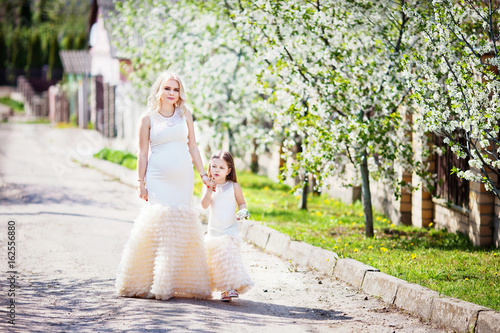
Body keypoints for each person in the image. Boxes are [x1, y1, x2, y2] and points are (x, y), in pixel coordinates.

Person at [115, 71, 212, 300]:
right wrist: (141, 183)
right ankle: (144, 282)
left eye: (175, 89)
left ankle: (176, 281)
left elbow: (194, 147)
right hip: (158, 177)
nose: (171, 93)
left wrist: (202, 174)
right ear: (159, 90)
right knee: (158, 225)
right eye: (167, 88)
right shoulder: (147, 118)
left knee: (180, 226)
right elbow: (142, 153)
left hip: (183, 177)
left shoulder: (185, 114)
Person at [201, 151, 254, 302]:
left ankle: (228, 289)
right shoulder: (208, 186)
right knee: (216, 261)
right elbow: (204, 205)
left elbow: (242, 203)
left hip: (230, 229)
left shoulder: (233, 186)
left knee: (229, 258)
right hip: (214, 231)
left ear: (229, 170)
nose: (216, 170)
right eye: (214, 167)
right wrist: (209, 190)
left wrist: (242, 212)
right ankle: (222, 288)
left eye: (221, 168)